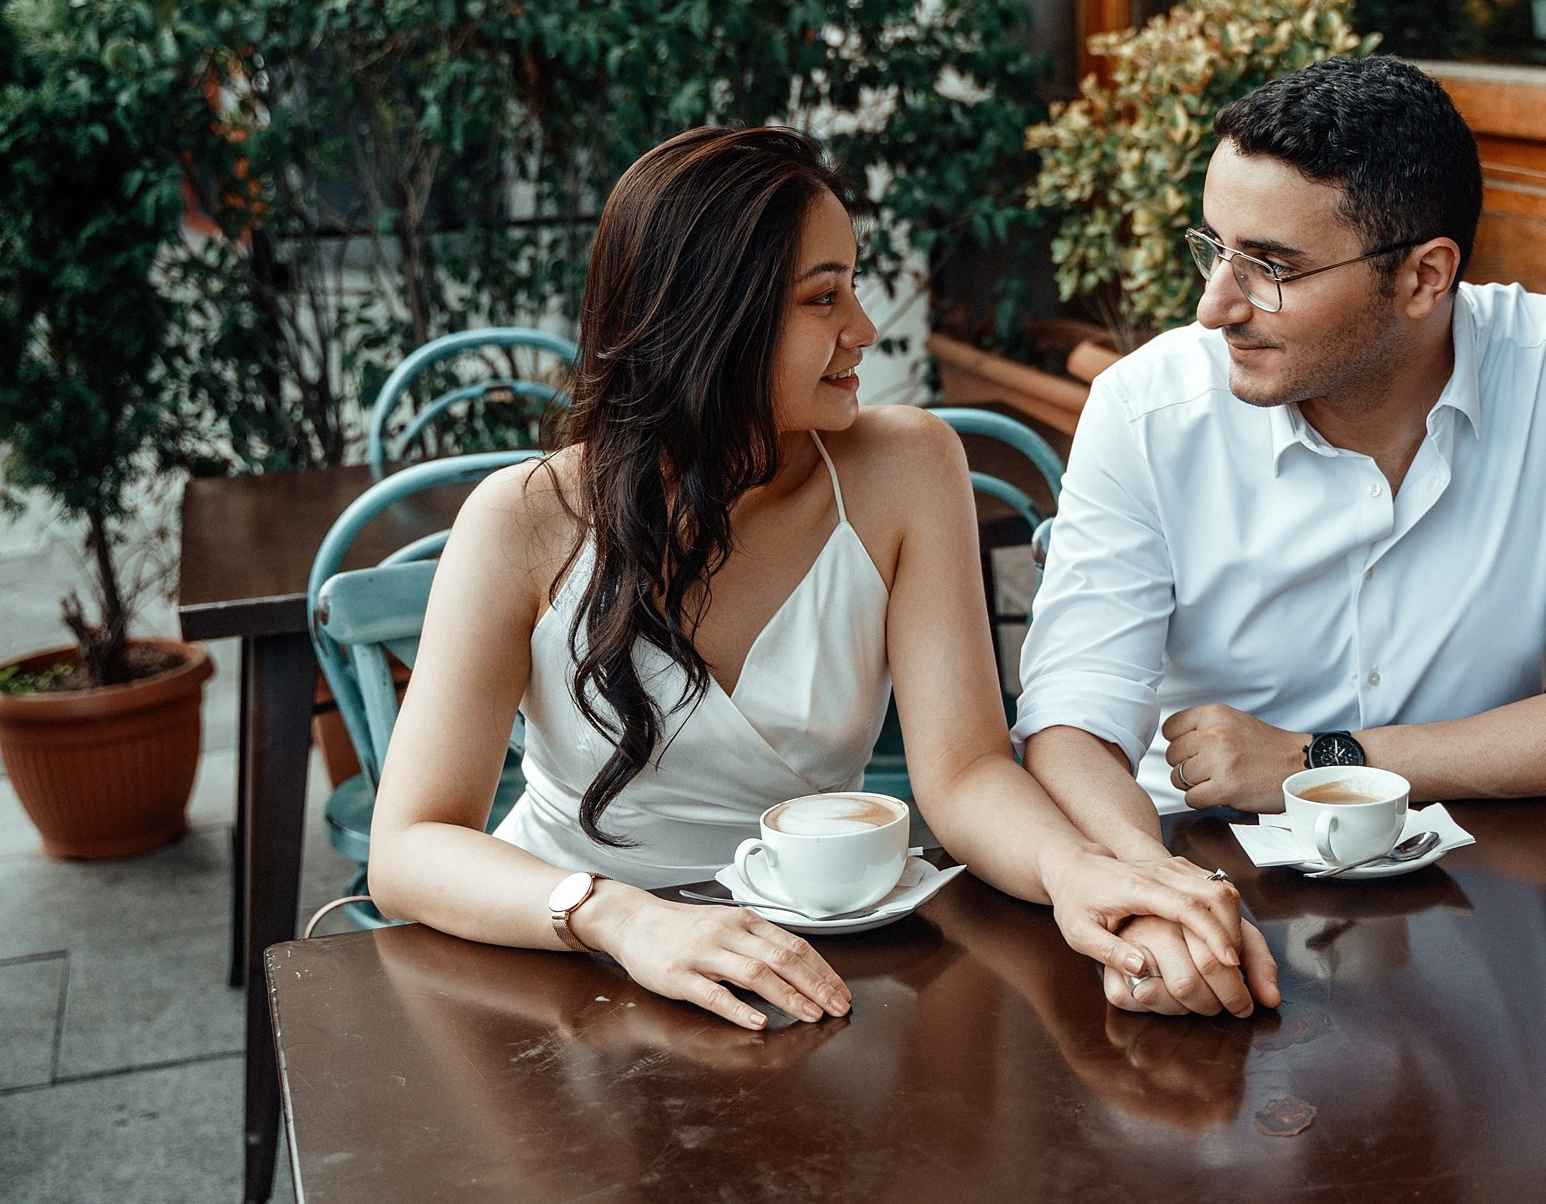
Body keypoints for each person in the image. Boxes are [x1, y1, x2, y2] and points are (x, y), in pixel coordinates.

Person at [368, 126, 1250, 1029]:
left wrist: (1076, 872)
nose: (863, 329)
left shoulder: (908, 468)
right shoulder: (522, 517)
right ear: (707, 319)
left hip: (807, 965)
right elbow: (406, 848)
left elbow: (966, 769)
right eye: (823, 297)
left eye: (853, 285)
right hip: (564, 968)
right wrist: (619, 917)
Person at [1018, 56, 1546, 1017]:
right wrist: (1150, 884)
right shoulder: (1148, 409)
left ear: (1425, 277)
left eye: (1271, 268)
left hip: (1476, 904)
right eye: (1212, 249)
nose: (1216, 303)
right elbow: (1069, 721)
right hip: (1208, 898)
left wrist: (1319, 759)